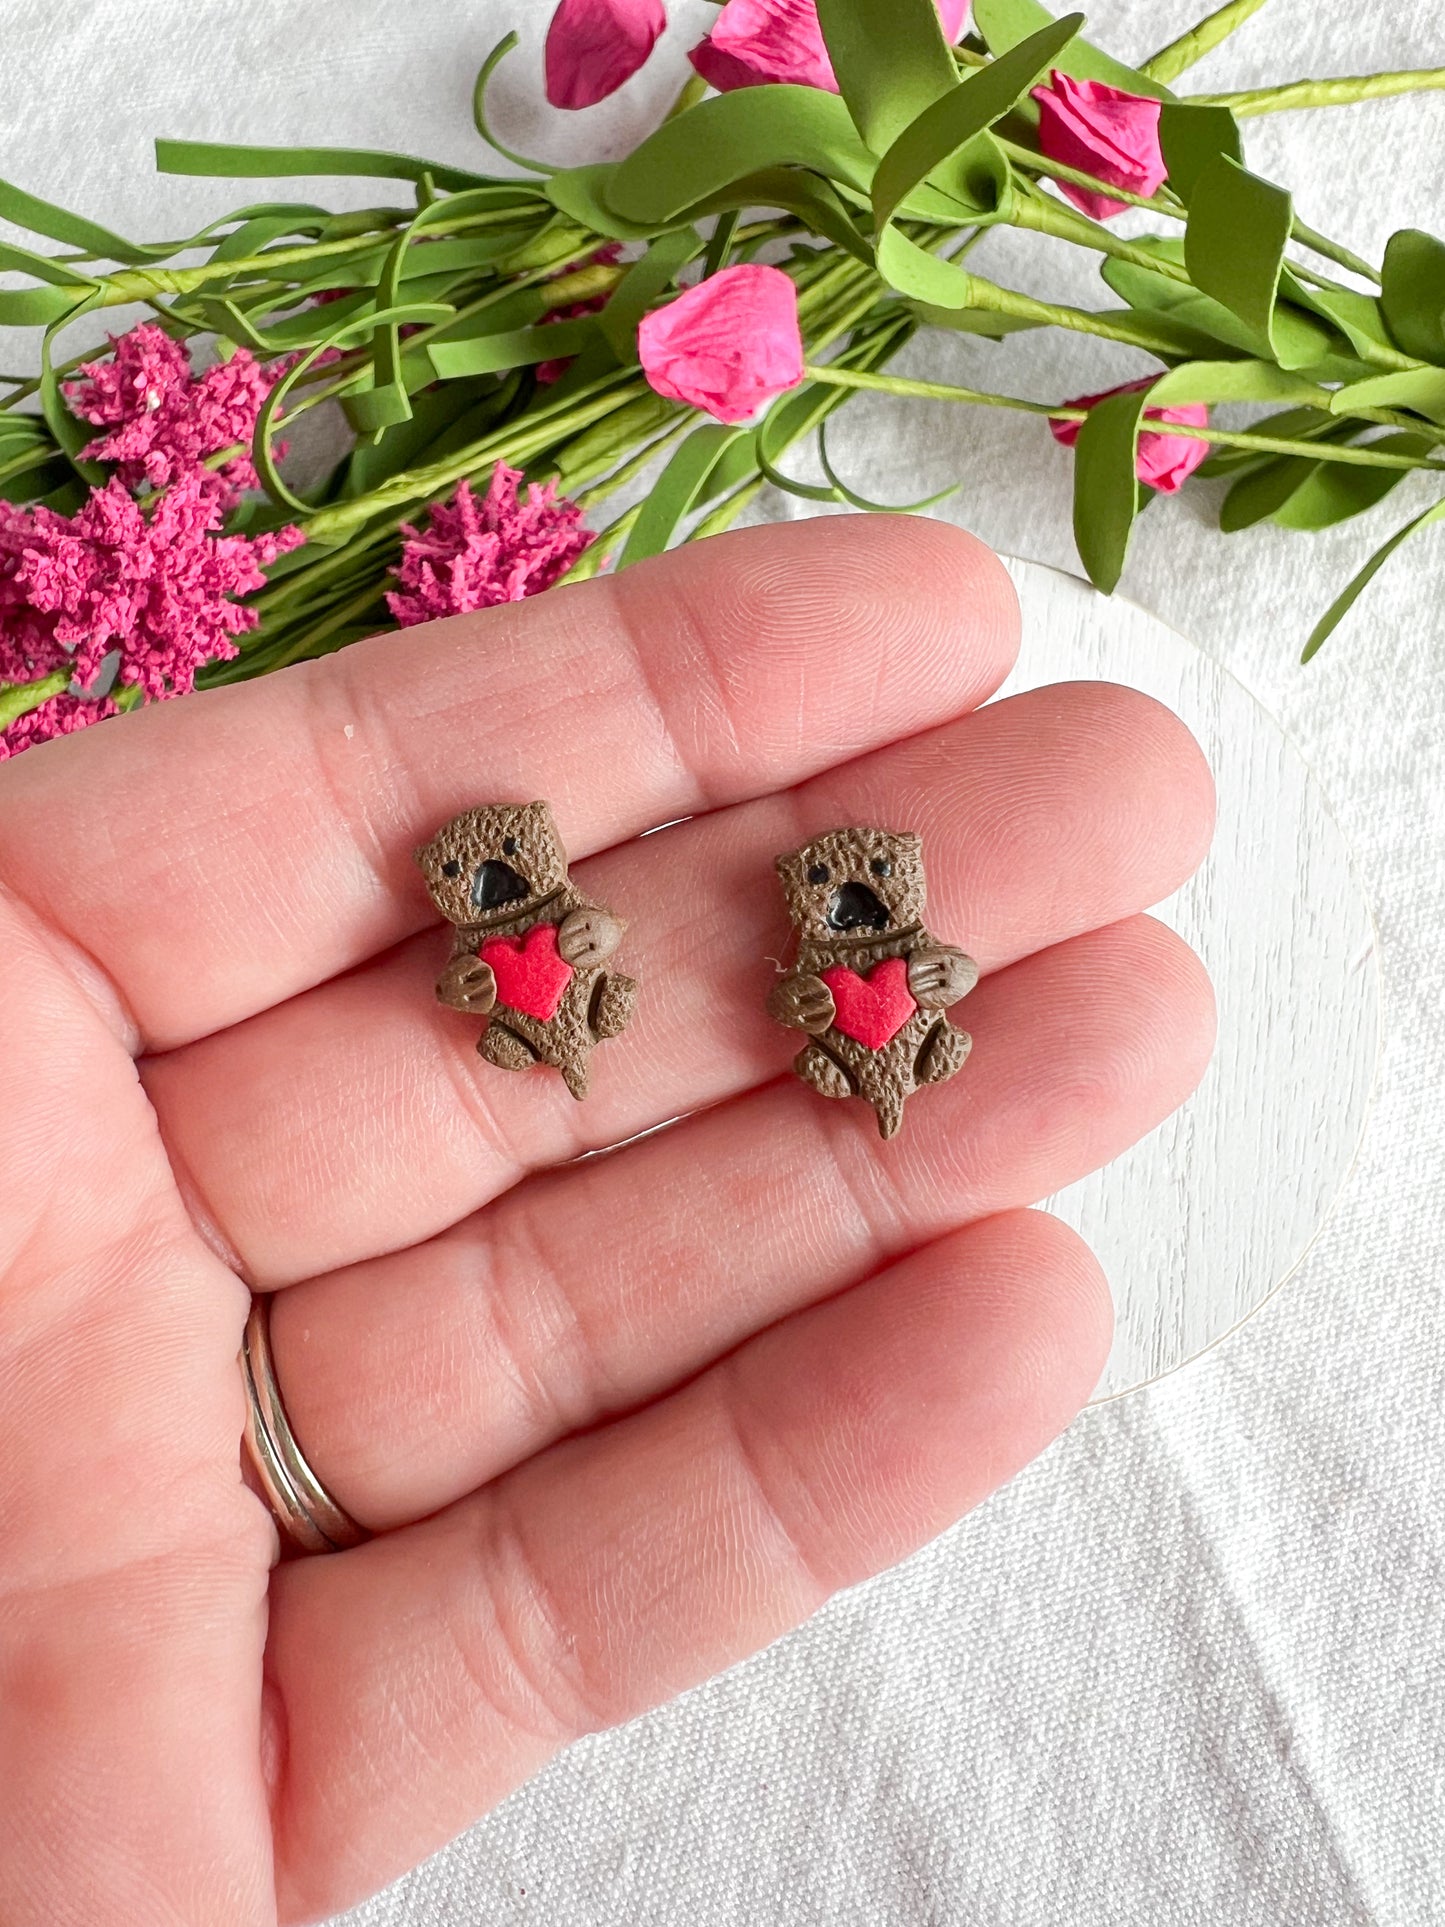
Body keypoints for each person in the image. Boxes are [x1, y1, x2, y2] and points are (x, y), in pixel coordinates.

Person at [0, 515, 1215, 1924]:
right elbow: (482, 985)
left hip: (813, 1030)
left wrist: (821, 987)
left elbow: (904, 963)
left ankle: (831, 1070)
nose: (506, 889)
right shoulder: (497, 921)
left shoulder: (850, 937)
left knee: (815, 1065)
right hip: (559, 1036)